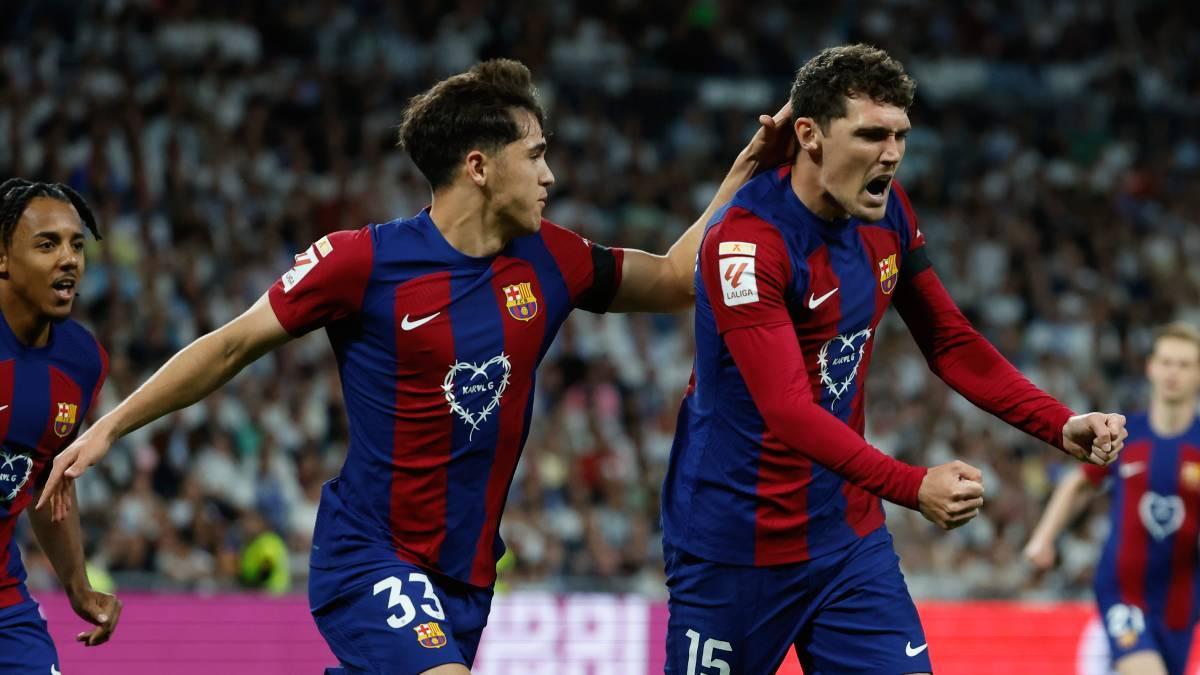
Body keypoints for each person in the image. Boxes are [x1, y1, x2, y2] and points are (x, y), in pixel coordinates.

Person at [36, 60, 792, 675]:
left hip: (469, 577)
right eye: (534, 156)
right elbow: (232, 344)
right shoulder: (362, 261)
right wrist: (113, 425)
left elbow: (670, 277)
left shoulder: (551, 258)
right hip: (370, 553)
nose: (550, 176)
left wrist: (747, 173)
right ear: (479, 167)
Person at [658, 44, 1128, 675]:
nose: (892, 154)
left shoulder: (888, 213)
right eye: (872, 134)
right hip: (733, 548)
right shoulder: (746, 243)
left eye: (901, 134)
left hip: (846, 541)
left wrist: (1058, 423)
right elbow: (788, 411)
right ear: (810, 135)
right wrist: (914, 485)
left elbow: (951, 342)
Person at [1024, 323, 1200, 675]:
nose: (1173, 373)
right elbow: (1077, 483)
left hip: (1181, 601)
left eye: (1184, 364)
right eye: (1166, 362)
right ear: (1151, 367)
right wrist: (1043, 538)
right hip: (1123, 593)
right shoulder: (1126, 435)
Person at [0, 179, 122, 672]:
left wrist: (77, 585)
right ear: (2, 257)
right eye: (47, 244)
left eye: (76, 244)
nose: (68, 258)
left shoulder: (82, 362)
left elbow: (50, 481)